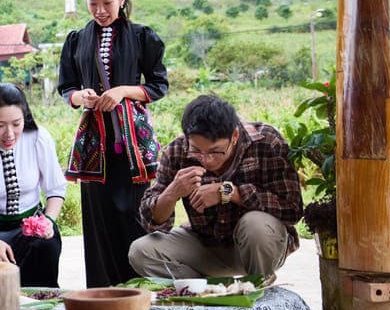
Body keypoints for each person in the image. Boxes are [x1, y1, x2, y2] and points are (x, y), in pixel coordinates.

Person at [57, 0, 167, 288]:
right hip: (95, 147)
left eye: (107, 2)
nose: (100, 10)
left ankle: (142, 291)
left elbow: (158, 86)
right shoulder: (76, 40)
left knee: (136, 217)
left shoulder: (142, 37)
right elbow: (66, 88)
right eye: (93, 4)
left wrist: (122, 91)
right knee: (99, 223)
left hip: (135, 144)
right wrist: (81, 96)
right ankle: (104, 293)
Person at [129, 94, 303, 279]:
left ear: (234, 136)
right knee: (141, 251)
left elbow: (292, 209)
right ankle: (208, 291)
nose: (207, 159)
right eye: (196, 150)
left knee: (255, 225)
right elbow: (152, 223)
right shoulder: (176, 151)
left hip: (259, 247)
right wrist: (172, 193)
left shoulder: (266, 141)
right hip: (206, 245)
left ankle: (258, 285)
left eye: (216, 151)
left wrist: (228, 192)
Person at [0, 83, 67, 287]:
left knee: (45, 245)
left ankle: (42, 305)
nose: (9, 133)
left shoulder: (38, 138)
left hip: (32, 224)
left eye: (16, 124)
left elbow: (55, 189)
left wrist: (48, 220)